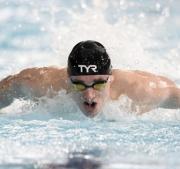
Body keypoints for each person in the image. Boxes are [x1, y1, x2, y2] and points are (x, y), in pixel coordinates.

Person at [0, 40, 180, 117]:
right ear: (67, 78)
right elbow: (9, 86)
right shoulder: (39, 86)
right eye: (78, 85)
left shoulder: (142, 90)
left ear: (110, 79)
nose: (89, 96)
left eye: (99, 84)